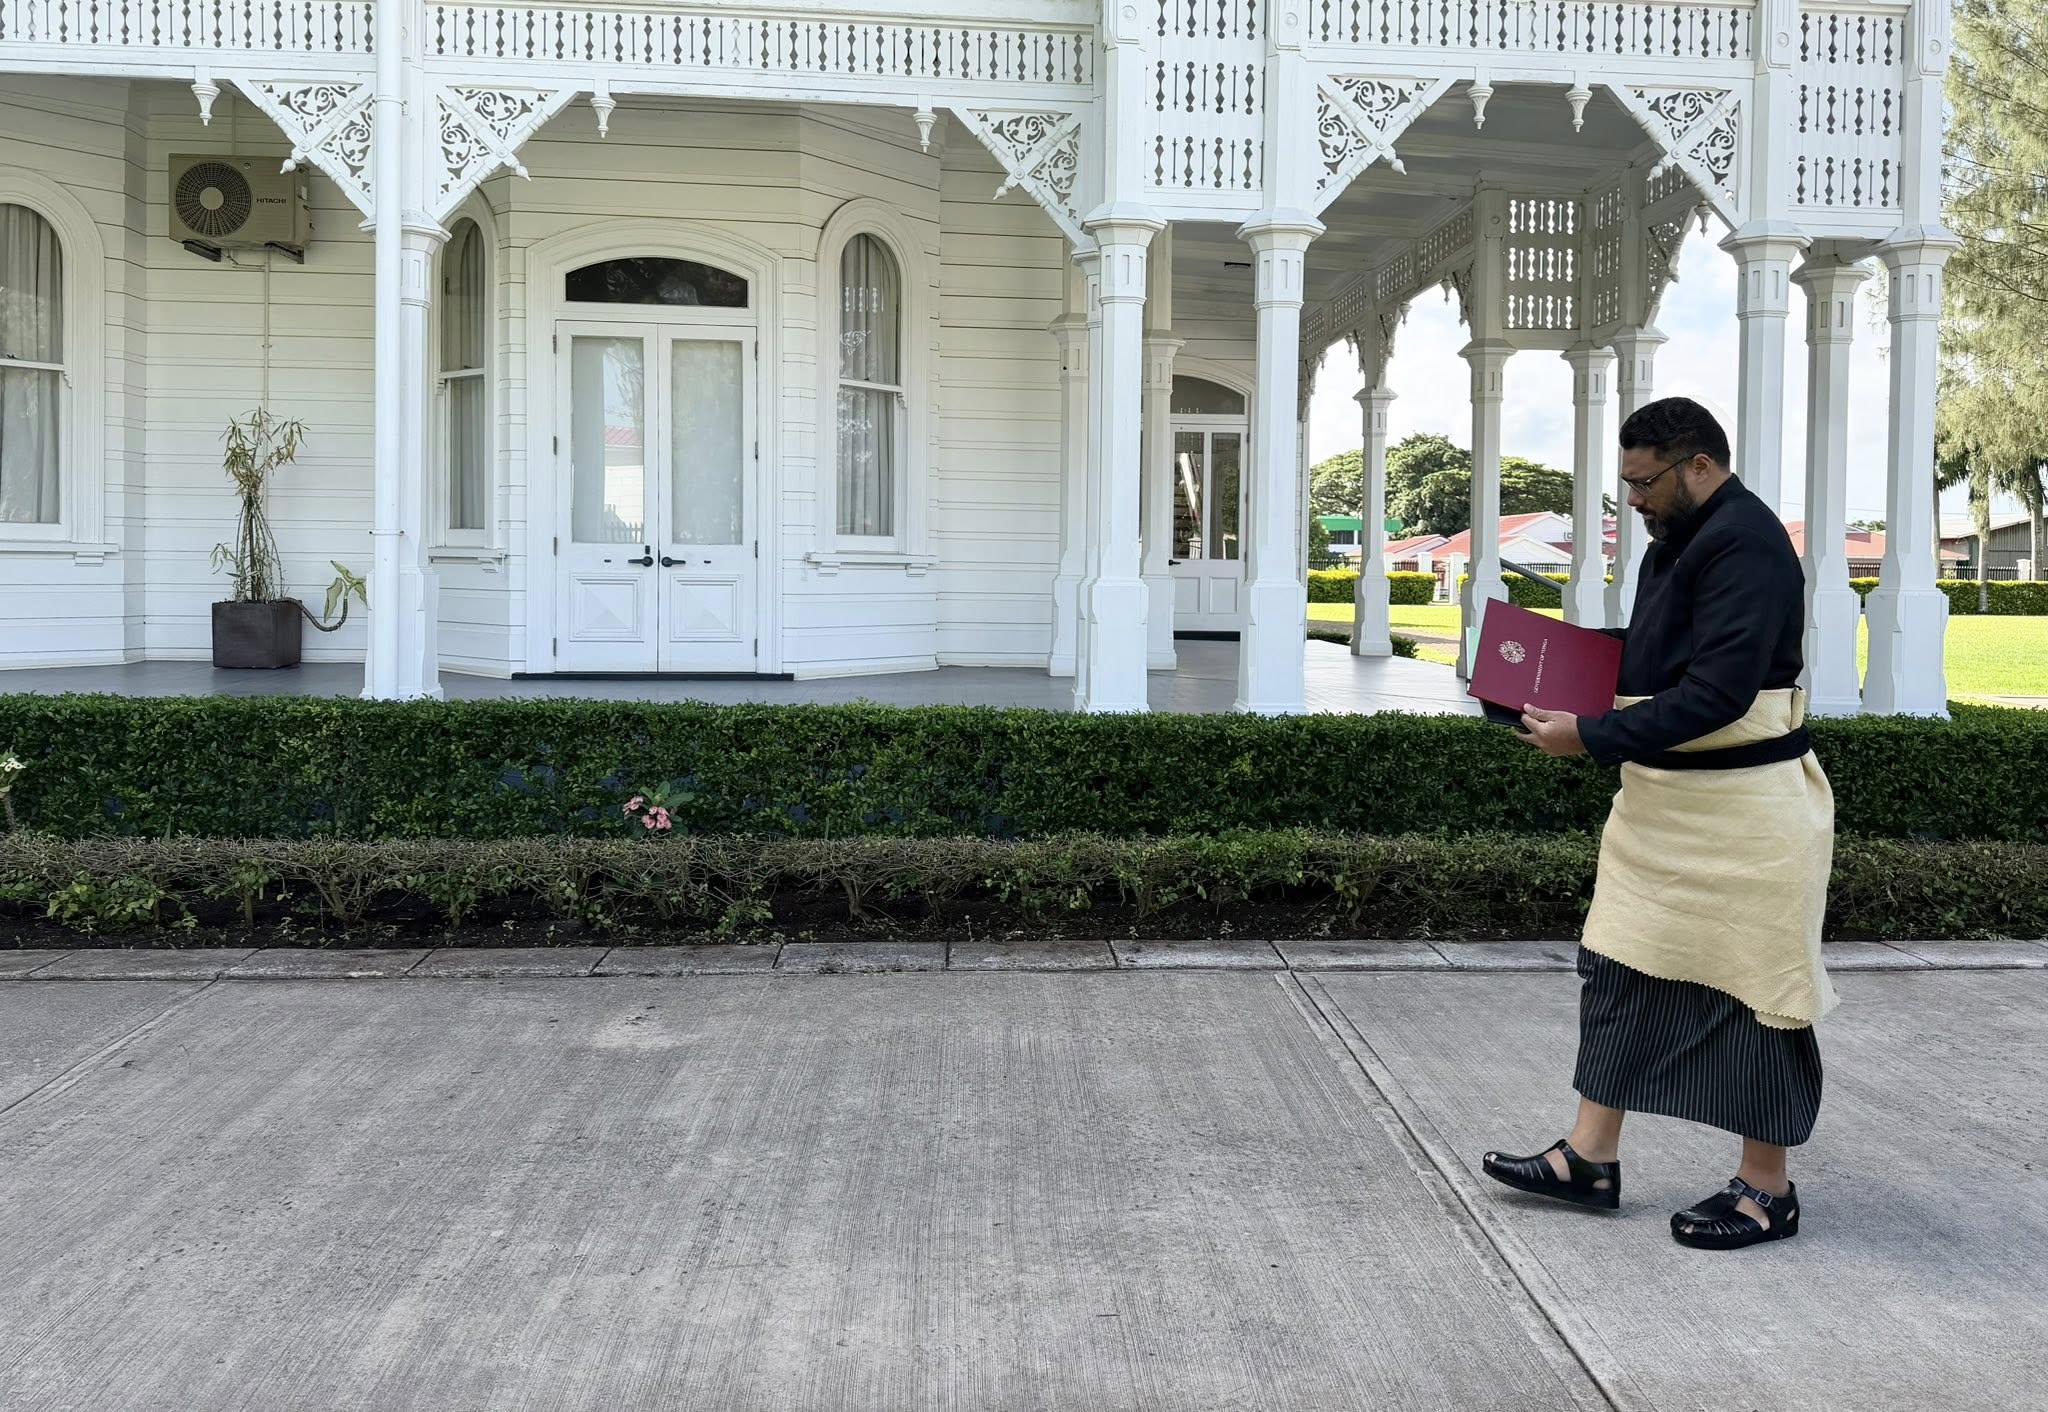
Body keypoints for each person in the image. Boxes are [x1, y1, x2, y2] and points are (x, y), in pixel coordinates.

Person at [1483, 396, 1837, 1252]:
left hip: (1746, 814)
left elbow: (1718, 695)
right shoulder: (1677, 537)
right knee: (1618, 970)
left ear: (1699, 466)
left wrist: (1590, 736)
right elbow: (1654, 650)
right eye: (1629, 485)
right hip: (1662, 807)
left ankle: (1767, 1189)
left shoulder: (1748, 545)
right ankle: (1589, 1158)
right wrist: (1543, 665)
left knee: (1757, 997)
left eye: (1644, 483)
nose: (1634, 499)